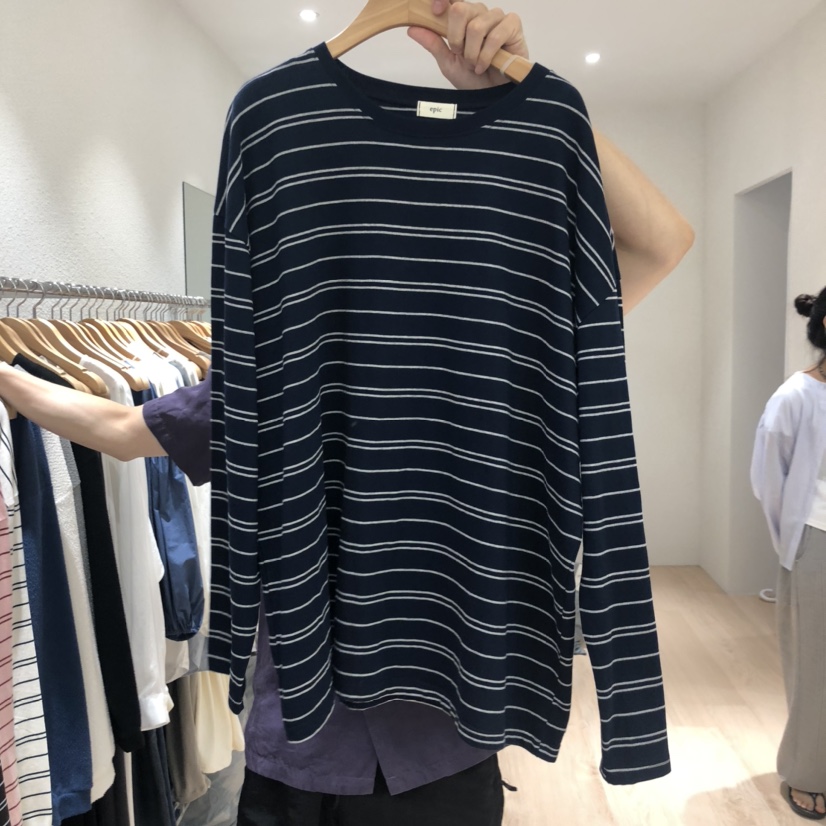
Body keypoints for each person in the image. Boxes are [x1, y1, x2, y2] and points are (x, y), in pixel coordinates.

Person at [0, 2, 695, 824]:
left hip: (427, 744)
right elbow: (122, 431)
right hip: (320, 747)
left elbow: (664, 240)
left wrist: (532, 98)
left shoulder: (512, 331)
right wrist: (11, 378)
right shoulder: (282, 371)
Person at [752, 288, 826, 821]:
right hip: (818, 540)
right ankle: (808, 773)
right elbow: (769, 481)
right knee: (815, 666)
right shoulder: (796, 397)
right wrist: (794, 548)